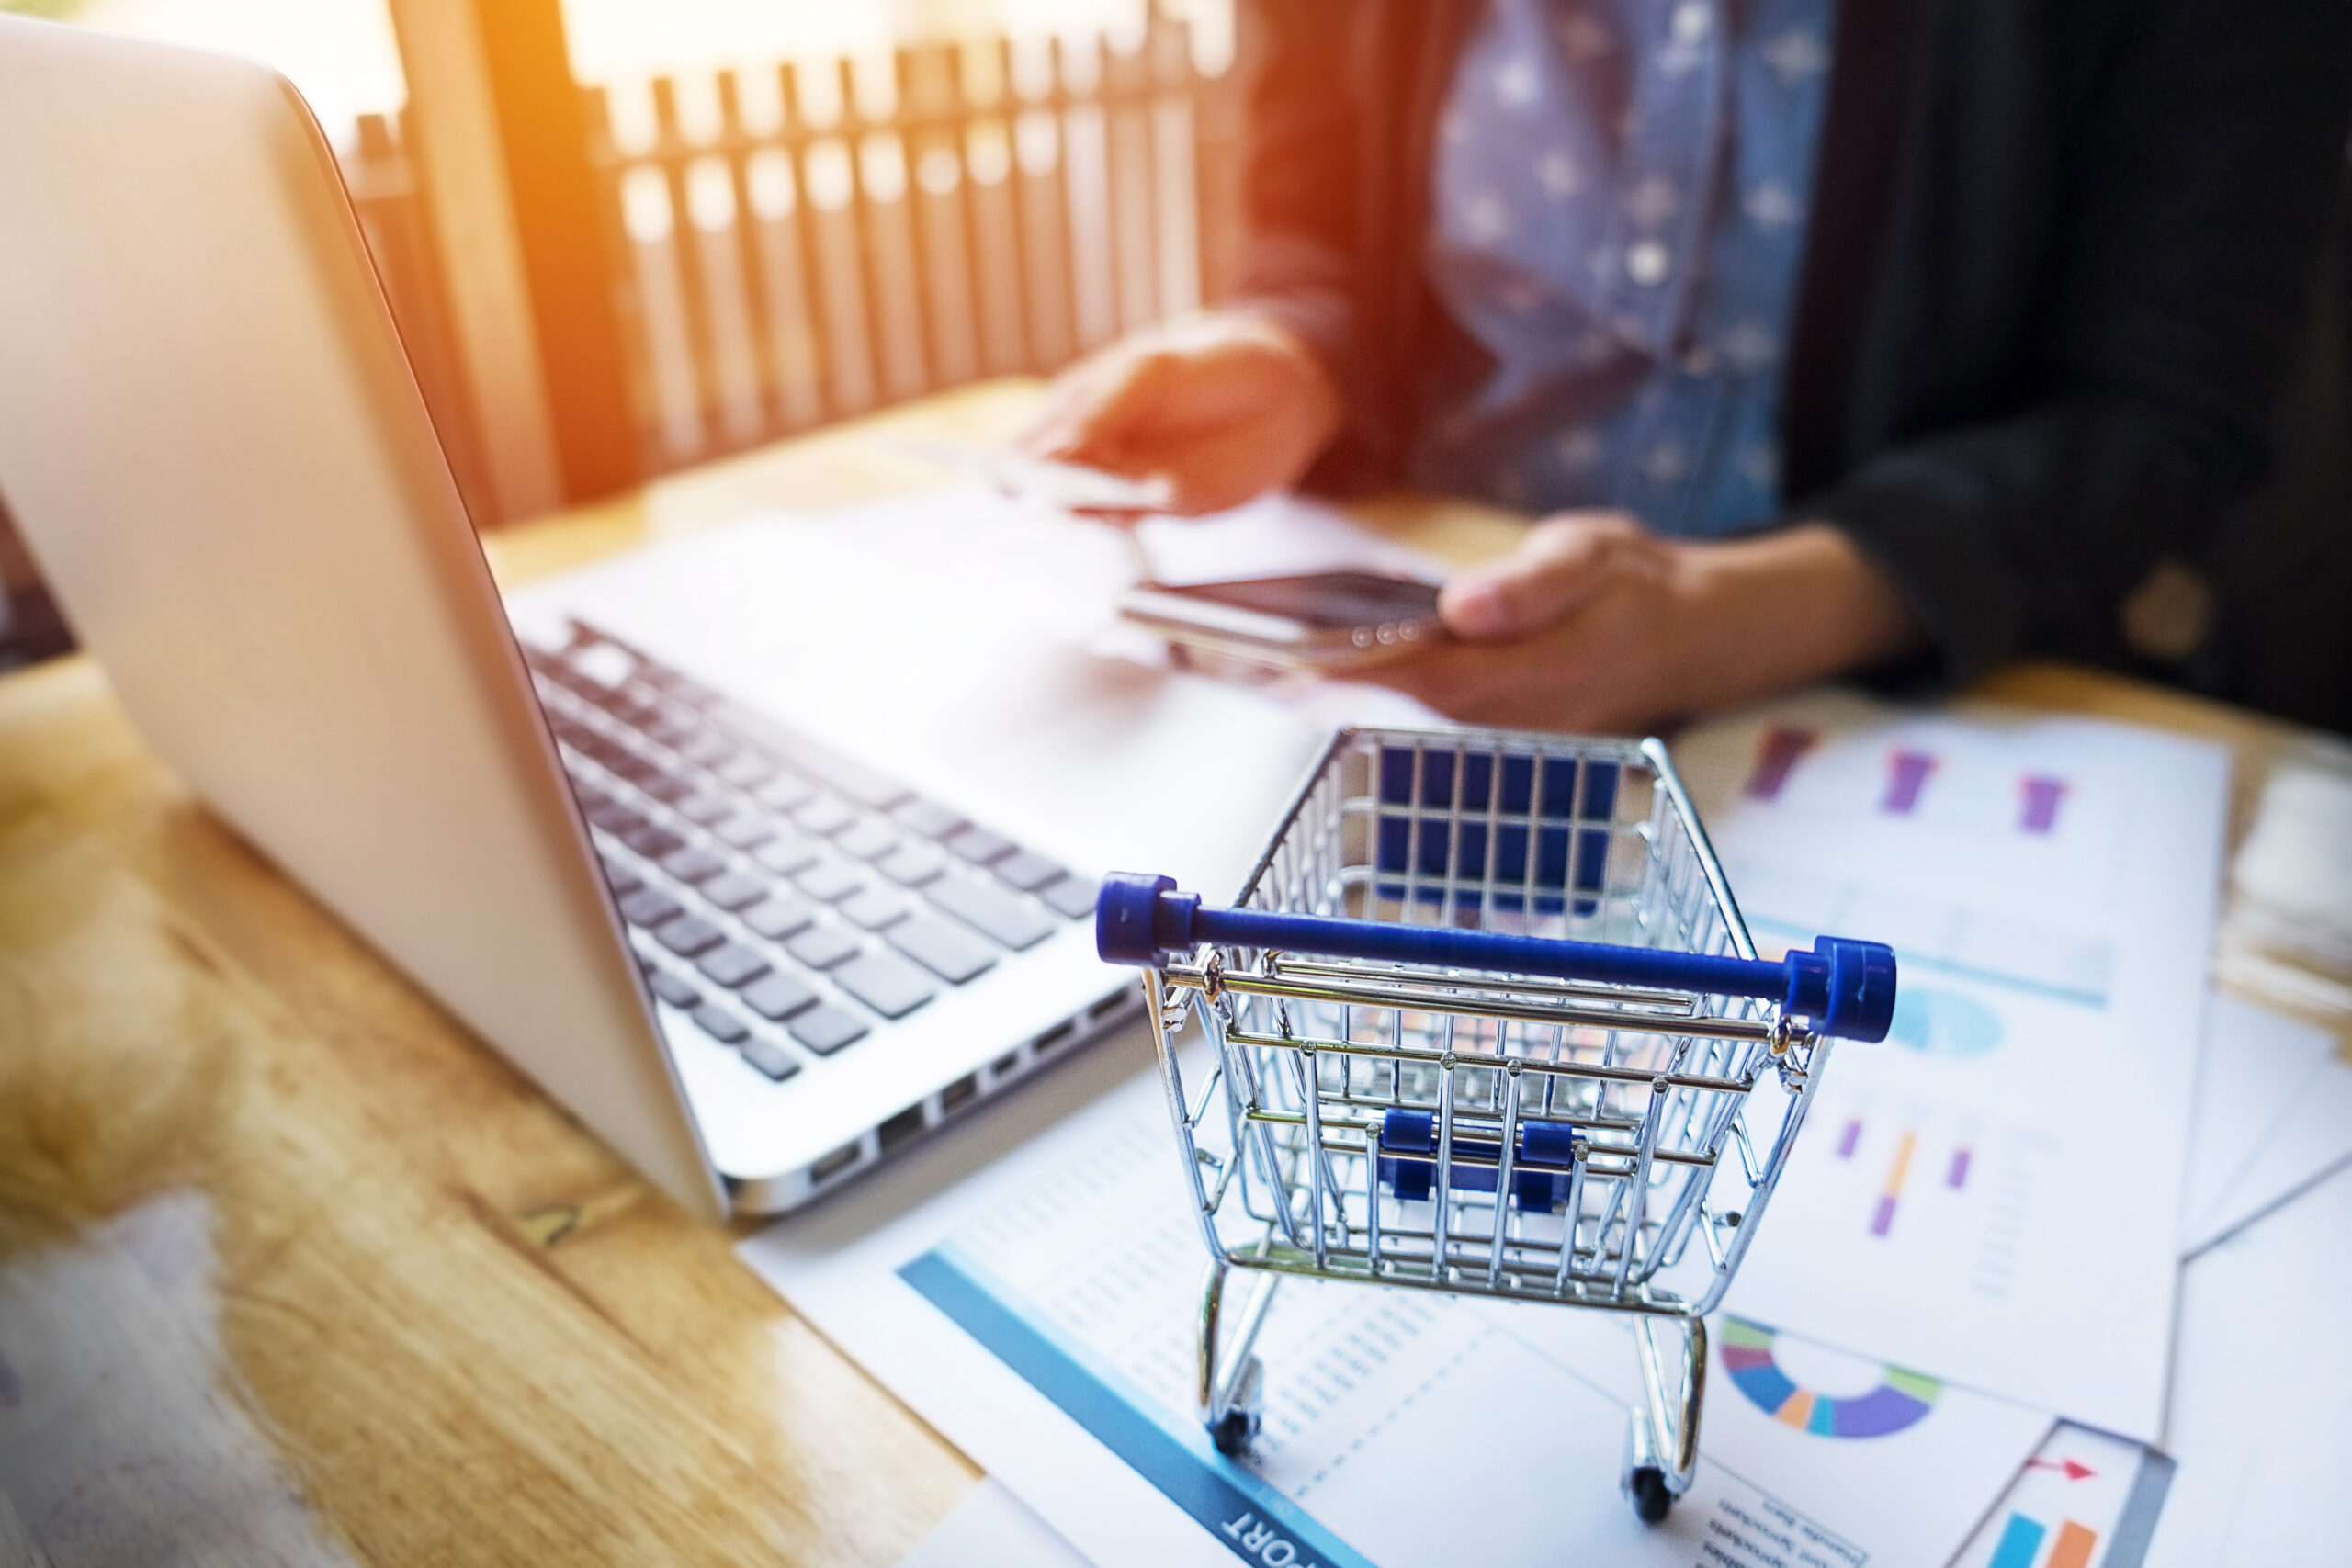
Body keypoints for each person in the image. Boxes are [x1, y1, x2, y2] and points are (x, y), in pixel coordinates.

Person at [1021, 0, 2352, 732]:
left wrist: (1733, 619)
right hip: (1385, 679)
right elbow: (1314, 226)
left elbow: (2168, 419)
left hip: (1894, 703)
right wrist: (1291, 352)